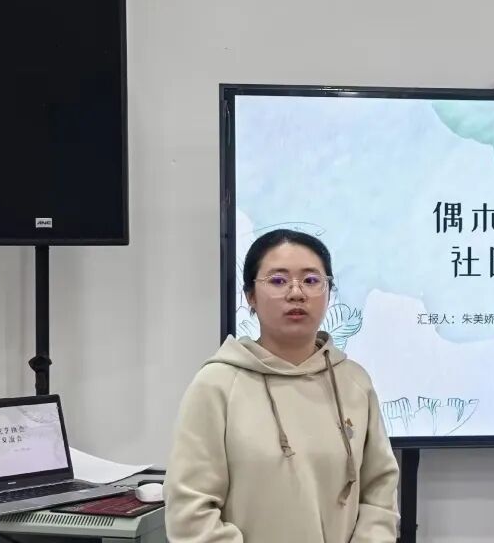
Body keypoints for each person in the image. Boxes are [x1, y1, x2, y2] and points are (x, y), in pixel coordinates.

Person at [164, 229, 400, 543]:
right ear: (250, 296)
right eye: (278, 280)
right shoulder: (216, 385)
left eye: (312, 280)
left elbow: (379, 492)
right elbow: (190, 512)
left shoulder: (354, 383)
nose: (296, 293)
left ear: (329, 292)